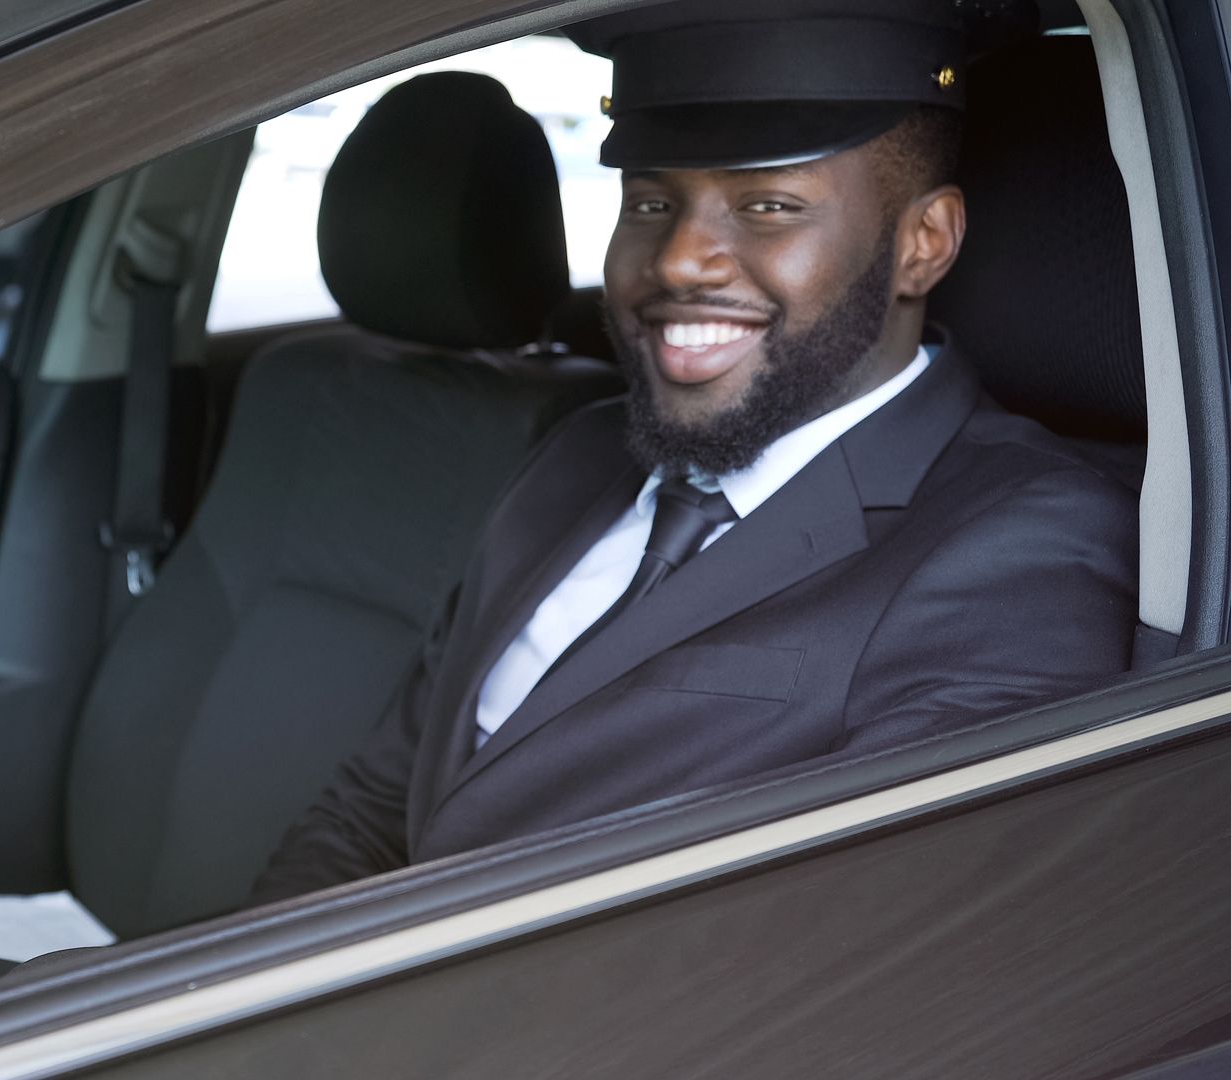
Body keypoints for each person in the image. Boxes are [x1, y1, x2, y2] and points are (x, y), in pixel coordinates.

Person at [250, 0, 1137, 903]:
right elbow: (375, 805)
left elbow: (855, 967)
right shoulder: (576, 454)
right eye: (651, 200)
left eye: (767, 205)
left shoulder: (1025, 545)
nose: (679, 260)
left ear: (923, 244)